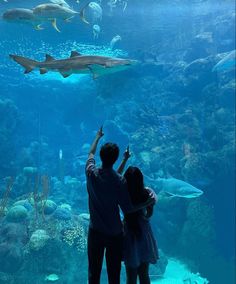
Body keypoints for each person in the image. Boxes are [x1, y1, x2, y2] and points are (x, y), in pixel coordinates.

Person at [85, 126, 155, 284]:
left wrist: (97, 137)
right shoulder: (120, 182)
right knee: (114, 274)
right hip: (114, 234)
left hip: (95, 231)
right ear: (115, 159)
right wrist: (147, 202)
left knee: (93, 272)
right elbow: (128, 208)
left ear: (101, 157)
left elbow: (90, 153)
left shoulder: (90, 173)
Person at [118, 148, 159, 284]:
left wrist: (124, 159)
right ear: (141, 179)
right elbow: (149, 213)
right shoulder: (146, 193)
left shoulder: (122, 194)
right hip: (143, 232)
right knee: (144, 274)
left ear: (125, 179)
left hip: (129, 233)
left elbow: (116, 176)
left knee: (131, 276)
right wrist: (146, 209)